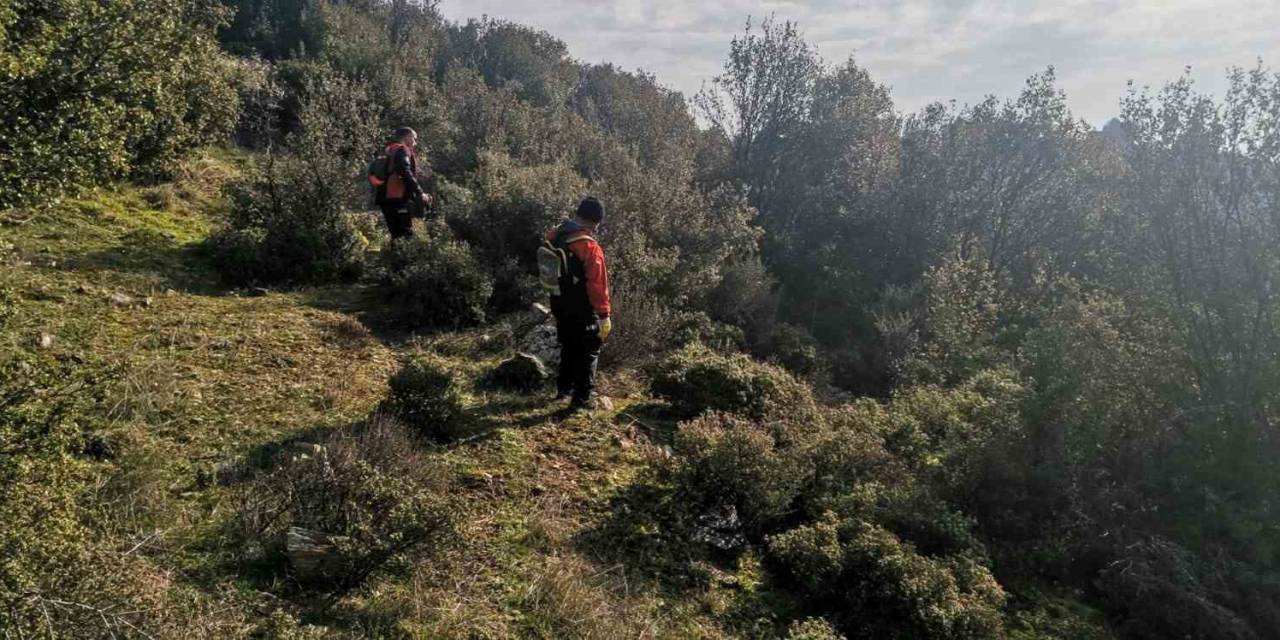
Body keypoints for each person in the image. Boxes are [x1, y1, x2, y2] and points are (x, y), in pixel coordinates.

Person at [545, 197, 612, 410]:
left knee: (568, 345)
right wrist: (604, 315)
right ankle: (582, 399)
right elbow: (597, 285)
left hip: (558, 302)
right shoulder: (589, 246)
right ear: (597, 222)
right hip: (581, 307)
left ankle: (563, 389)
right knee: (589, 348)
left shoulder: (555, 235)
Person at [377, 127, 432, 239]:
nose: (415, 143)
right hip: (397, 198)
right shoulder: (402, 150)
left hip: (384, 198)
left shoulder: (389, 150)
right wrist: (420, 192)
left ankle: (393, 256)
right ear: (407, 136)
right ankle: (403, 256)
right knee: (405, 235)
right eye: (414, 138)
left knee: (396, 235)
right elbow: (405, 171)